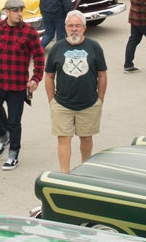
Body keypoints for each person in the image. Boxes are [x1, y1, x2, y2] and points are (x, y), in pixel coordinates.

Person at [0, 0, 46, 170]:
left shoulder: (29, 32)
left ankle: (13, 154)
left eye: (21, 10)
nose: (19, 14)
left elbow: (39, 56)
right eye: (15, 11)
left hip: (17, 86)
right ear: (7, 12)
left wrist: (36, 78)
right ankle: (3, 135)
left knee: (15, 122)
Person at [46, 12, 108, 170]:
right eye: (70, 26)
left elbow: (102, 74)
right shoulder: (57, 48)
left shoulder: (94, 47)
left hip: (89, 104)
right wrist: (52, 101)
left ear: (84, 28)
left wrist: (100, 99)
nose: (74, 29)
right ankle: (64, 175)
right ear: (65, 28)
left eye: (78, 26)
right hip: (62, 104)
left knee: (86, 139)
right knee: (63, 139)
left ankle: (84, 171)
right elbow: (49, 76)